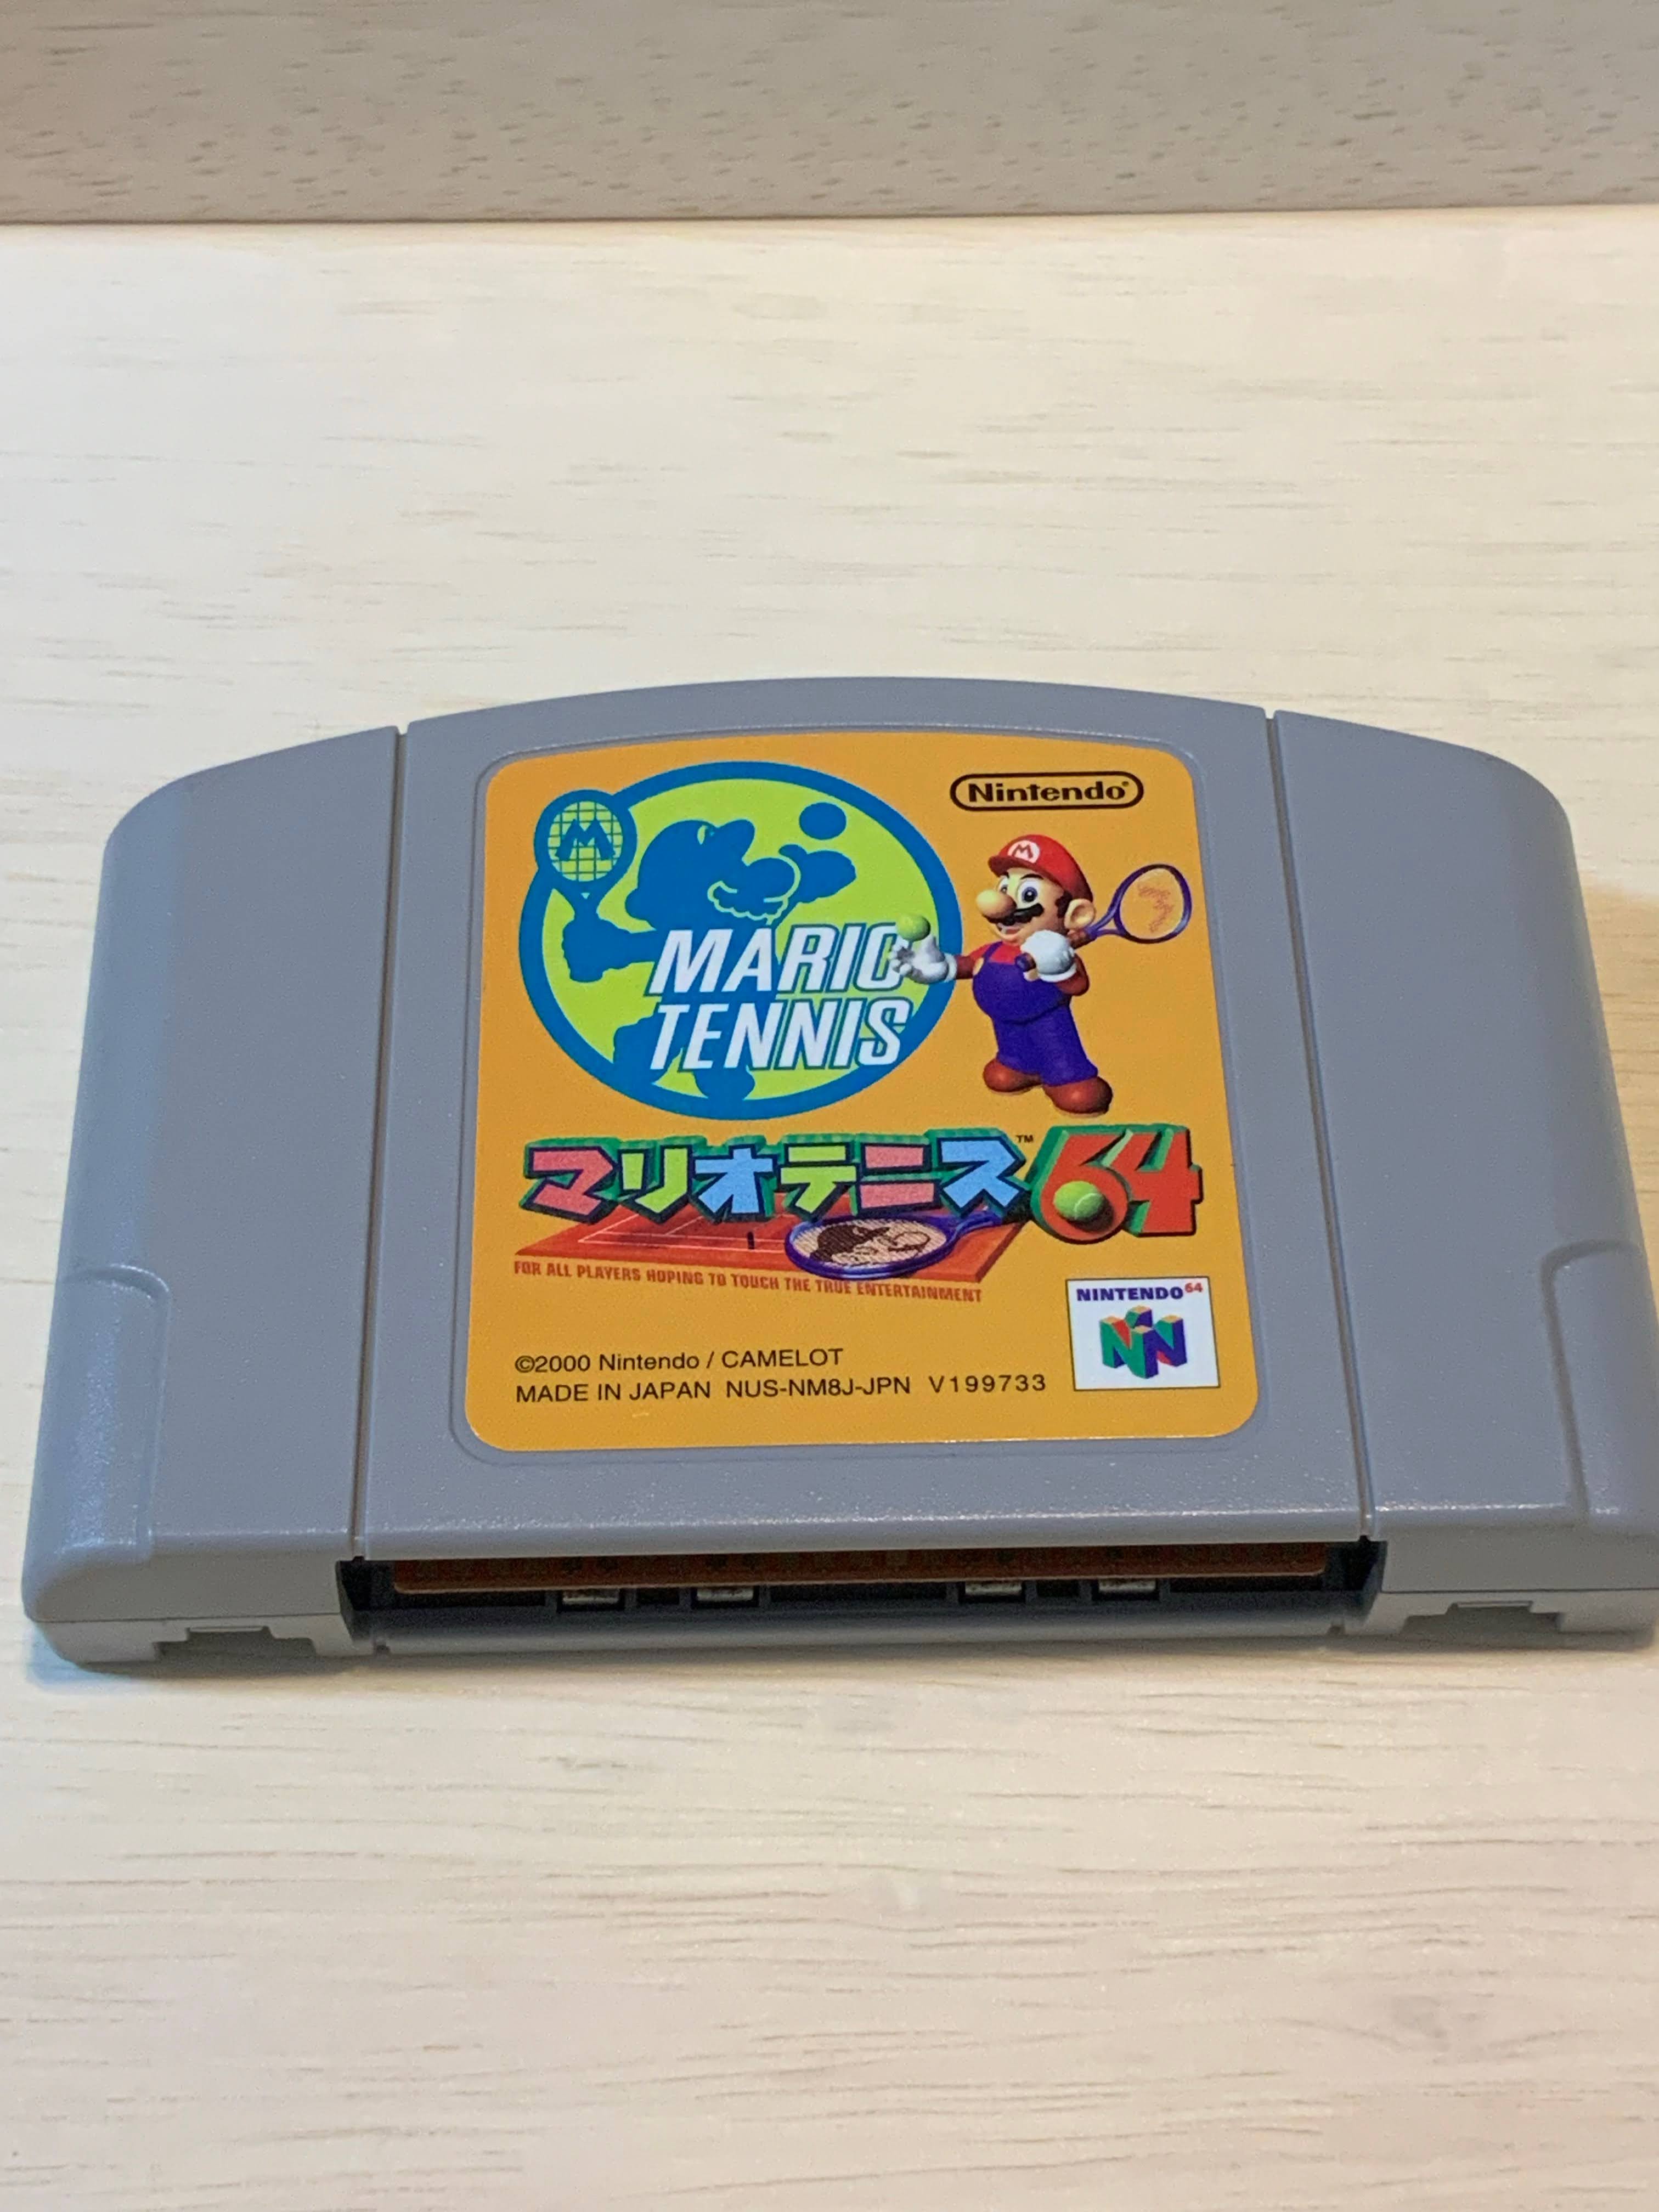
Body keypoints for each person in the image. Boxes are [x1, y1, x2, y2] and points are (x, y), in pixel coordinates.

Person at [891, 833, 1113, 1114]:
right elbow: (970, 965)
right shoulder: (994, 950)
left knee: (1062, 1058)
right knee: (1007, 1065)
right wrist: (941, 965)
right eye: (1005, 888)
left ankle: (1067, 1078)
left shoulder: (1057, 953)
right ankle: (1019, 1066)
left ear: (1075, 914)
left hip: (1047, 1021)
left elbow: (1077, 985)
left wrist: (1060, 968)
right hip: (1005, 1025)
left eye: (1028, 895)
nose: (1000, 905)